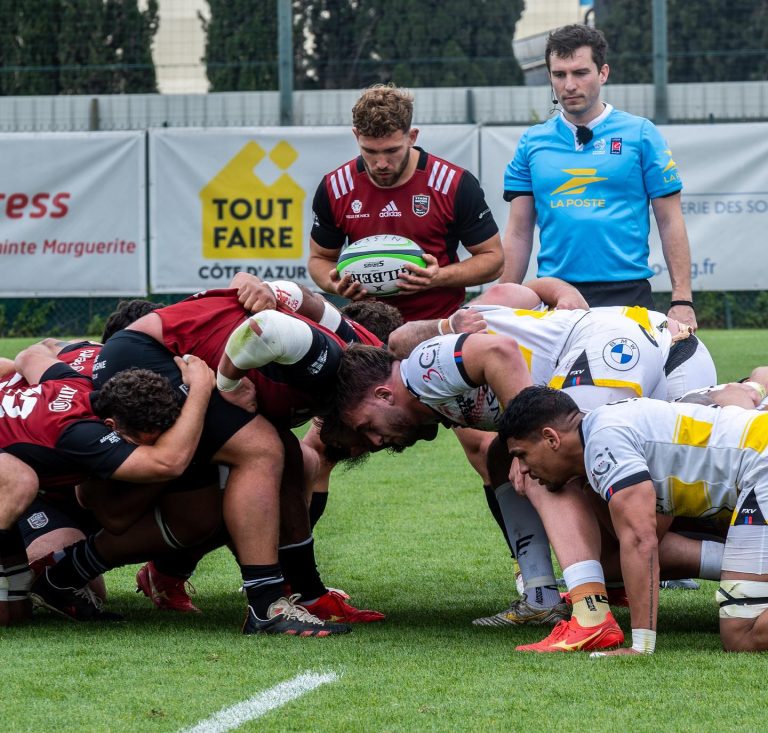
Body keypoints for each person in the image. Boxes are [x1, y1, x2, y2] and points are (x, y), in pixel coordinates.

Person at [499, 386, 768, 654]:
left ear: (551, 439)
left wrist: (641, 646)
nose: (522, 468)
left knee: (741, 633)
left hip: (761, 465)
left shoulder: (604, 442)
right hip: (756, 463)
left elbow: (640, 539)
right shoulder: (602, 431)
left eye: (522, 454)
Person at [500, 24, 697, 330]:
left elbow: (670, 220)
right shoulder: (531, 142)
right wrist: (504, 303)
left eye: (580, 73)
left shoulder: (641, 133)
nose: (569, 85)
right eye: (559, 74)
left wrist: (682, 300)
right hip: (556, 295)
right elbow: (518, 232)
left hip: (627, 293)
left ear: (603, 73)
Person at [0, 344, 214, 621]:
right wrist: (200, 390)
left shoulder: (77, 384)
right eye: (144, 443)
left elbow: (30, 355)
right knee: (20, 481)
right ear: (112, 426)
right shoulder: (81, 434)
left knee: (14, 616)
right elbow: (169, 463)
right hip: (12, 486)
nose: (150, 448)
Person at [307, 83, 504, 323]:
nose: (381, 163)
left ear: (412, 137)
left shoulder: (452, 183)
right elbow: (319, 259)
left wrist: (438, 276)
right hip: (366, 327)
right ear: (356, 136)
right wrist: (334, 283)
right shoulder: (336, 187)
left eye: (391, 150)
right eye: (370, 151)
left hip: (437, 325)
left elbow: (493, 259)